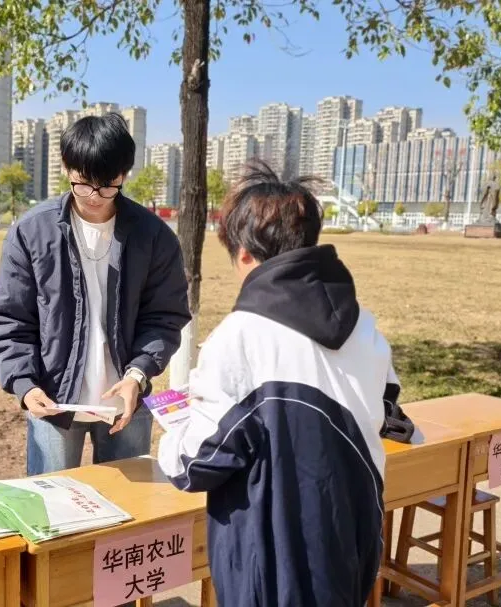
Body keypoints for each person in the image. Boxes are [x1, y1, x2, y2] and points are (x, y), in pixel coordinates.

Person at [157, 160, 398, 607]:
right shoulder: (365, 326)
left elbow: (197, 463)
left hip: (270, 560)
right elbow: (391, 413)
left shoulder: (240, 336)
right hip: (354, 538)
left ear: (245, 255)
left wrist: (171, 438)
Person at [0, 112, 191, 475]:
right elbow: (9, 318)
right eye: (83, 184)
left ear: (124, 174)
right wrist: (25, 385)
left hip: (126, 401)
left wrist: (138, 375)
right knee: (50, 502)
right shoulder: (32, 232)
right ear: (66, 168)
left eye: (107, 185)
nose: (94, 196)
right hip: (53, 400)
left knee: (125, 505)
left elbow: (165, 317)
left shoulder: (154, 236)